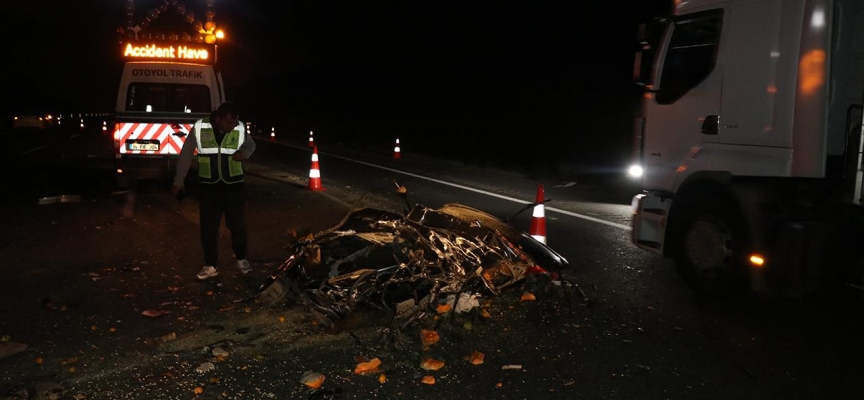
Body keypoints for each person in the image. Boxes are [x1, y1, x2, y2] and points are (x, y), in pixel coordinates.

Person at [172, 102, 257, 280]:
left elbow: (250, 145)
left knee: (238, 226)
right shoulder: (200, 127)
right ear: (218, 119)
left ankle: (242, 259)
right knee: (208, 228)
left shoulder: (239, 127)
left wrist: (243, 153)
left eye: (234, 122)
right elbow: (186, 153)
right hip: (209, 187)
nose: (232, 126)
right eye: (228, 123)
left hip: (234, 186)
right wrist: (179, 180)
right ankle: (210, 265)